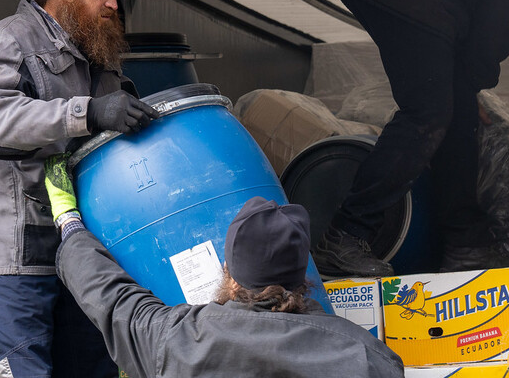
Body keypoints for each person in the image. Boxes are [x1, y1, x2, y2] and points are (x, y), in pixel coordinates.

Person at [0, 0, 159, 377]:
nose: (113, 5)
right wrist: (89, 112)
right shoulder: (8, 41)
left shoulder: (95, 50)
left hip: (82, 254)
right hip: (17, 256)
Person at [311, 0, 509, 278]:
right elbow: (500, 20)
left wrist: (467, 91)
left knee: (458, 118)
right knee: (427, 113)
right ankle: (345, 235)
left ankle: (467, 246)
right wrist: (473, 80)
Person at [42, 154, 405, 377]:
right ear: (303, 278)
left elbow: (111, 297)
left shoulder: (179, 340)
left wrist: (69, 221)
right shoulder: (367, 357)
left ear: (229, 275)